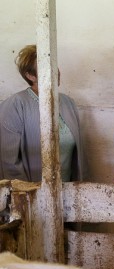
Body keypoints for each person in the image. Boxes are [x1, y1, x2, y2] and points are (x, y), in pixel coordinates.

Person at [0, 44, 86, 182]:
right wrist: (28, 196)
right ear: (30, 76)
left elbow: (77, 156)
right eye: (46, 67)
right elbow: (8, 161)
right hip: (32, 194)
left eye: (54, 65)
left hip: (67, 189)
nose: (55, 71)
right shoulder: (15, 105)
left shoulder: (68, 102)